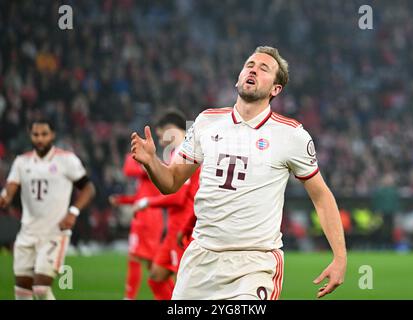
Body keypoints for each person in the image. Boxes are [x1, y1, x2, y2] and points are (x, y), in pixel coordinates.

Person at [130, 46, 347, 300]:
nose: (253, 69)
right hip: (200, 259)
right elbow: (171, 181)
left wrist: (340, 258)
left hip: (254, 263)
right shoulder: (206, 122)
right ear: (239, 77)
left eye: (264, 68)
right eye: (250, 65)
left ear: (276, 89)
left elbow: (321, 196)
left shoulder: (291, 135)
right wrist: (151, 162)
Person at [0, 119, 95, 300]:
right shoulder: (22, 162)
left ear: (52, 135)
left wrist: (73, 212)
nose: (40, 139)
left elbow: (89, 188)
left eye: (44, 134)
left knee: (41, 289)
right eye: (36, 135)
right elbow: (11, 186)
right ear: (30, 136)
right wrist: (6, 197)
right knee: (22, 292)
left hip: (54, 234)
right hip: (27, 233)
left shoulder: (66, 160)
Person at [131, 110, 200, 300]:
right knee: (156, 277)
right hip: (174, 228)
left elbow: (177, 197)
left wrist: (147, 202)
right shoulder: (180, 152)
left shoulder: (185, 151)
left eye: (160, 135)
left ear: (169, 130)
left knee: (185, 286)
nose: (161, 141)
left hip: (184, 228)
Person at [109, 153, 164, 300]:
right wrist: (122, 200)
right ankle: (168, 296)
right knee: (152, 264)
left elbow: (128, 170)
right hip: (150, 217)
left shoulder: (151, 165)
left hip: (146, 218)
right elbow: (140, 197)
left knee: (135, 257)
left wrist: (132, 156)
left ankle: (129, 297)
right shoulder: (148, 172)